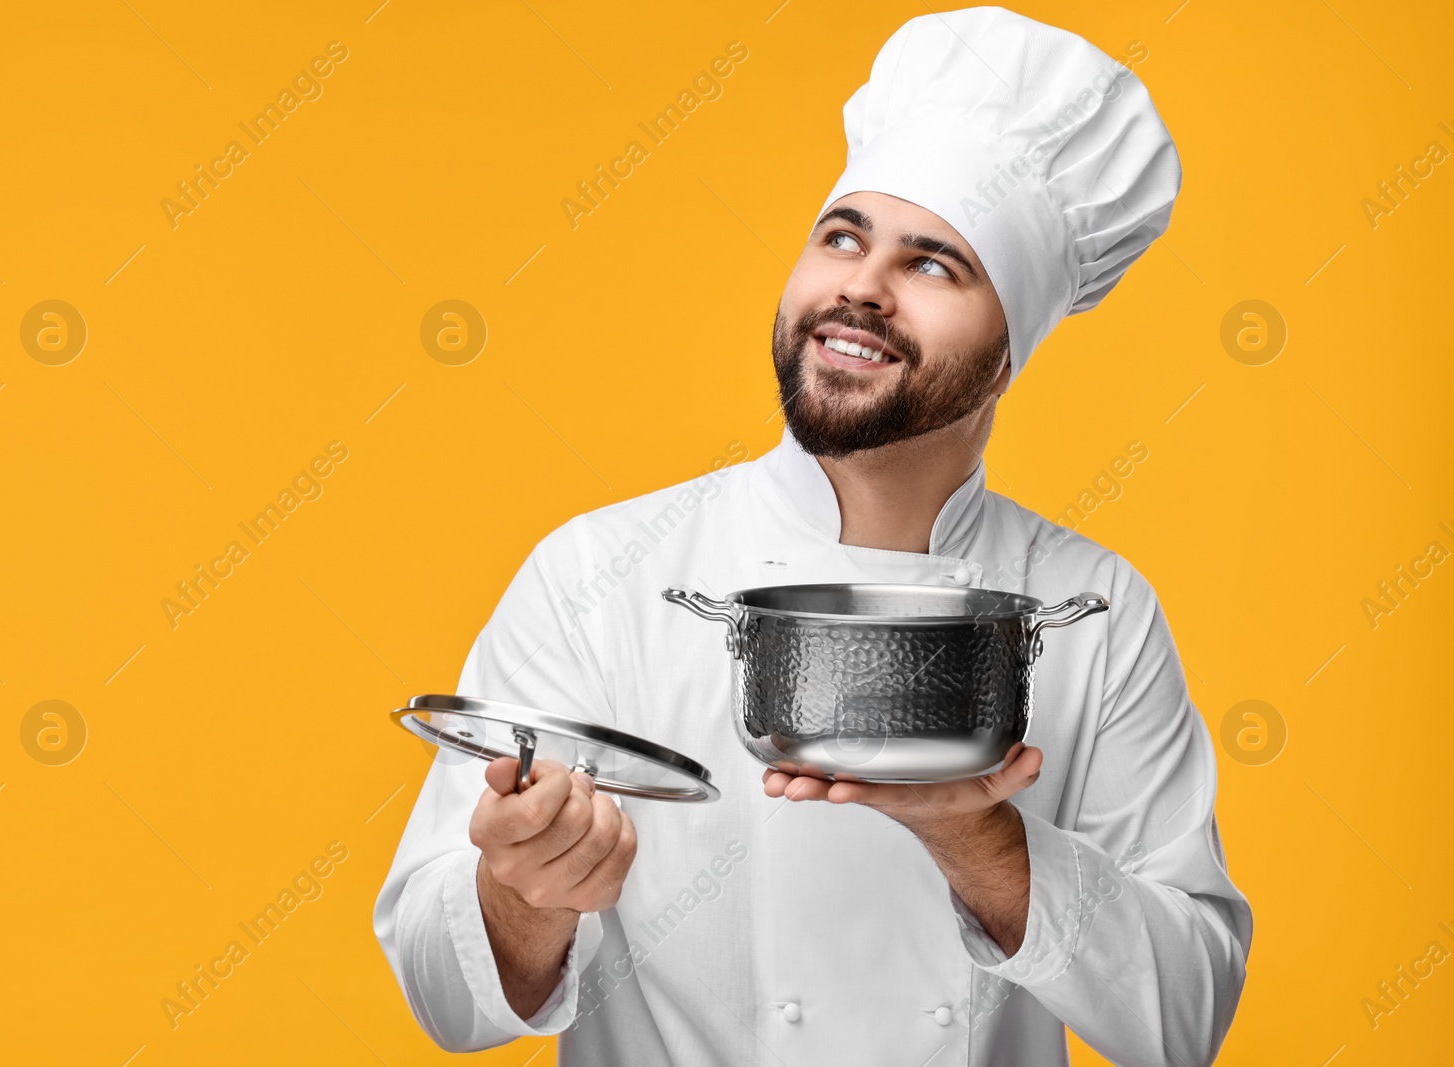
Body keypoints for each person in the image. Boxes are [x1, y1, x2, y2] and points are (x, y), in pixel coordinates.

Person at [375, 7, 1253, 1065]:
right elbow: (444, 997)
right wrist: (523, 897)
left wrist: (981, 838)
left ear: (1010, 350)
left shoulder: (1090, 607)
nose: (861, 288)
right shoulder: (601, 572)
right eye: (842, 235)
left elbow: (1183, 1018)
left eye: (934, 265)